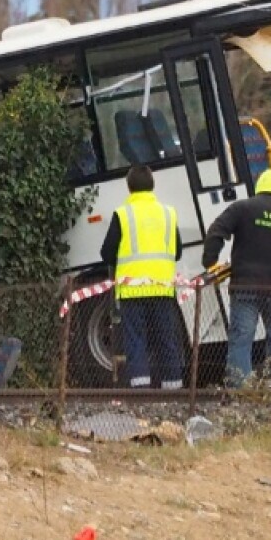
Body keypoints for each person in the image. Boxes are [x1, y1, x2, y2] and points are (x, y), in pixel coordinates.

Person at [202, 168, 271, 387]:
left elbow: (216, 230)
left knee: (242, 339)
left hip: (245, 286)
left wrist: (210, 261)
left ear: (259, 185)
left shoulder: (243, 208)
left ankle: (240, 392)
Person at [99, 165, 185, 389]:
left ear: (129, 187)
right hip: (162, 288)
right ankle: (173, 387)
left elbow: (106, 253)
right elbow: (177, 252)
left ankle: (141, 390)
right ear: (152, 185)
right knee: (166, 338)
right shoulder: (168, 213)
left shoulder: (123, 214)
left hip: (132, 290)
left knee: (135, 341)